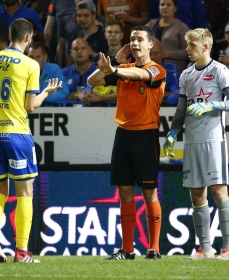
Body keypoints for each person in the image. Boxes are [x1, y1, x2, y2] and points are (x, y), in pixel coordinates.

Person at [0, 18, 62, 263]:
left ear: (9, 35)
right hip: (17, 133)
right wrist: (46, 92)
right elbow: (30, 106)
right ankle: (21, 252)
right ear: (28, 37)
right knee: (25, 192)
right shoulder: (29, 64)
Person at [88, 25, 166, 260]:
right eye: (132, 39)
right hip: (123, 134)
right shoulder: (123, 67)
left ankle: (154, 249)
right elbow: (93, 81)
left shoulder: (157, 70)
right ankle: (127, 249)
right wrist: (113, 63)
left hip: (146, 135)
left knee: (149, 192)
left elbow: (142, 75)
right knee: (124, 192)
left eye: (140, 39)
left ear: (150, 44)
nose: (135, 43)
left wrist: (116, 68)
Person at [163, 28, 229, 260]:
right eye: (187, 45)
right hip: (191, 141)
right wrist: (173, 132)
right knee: (197, 195)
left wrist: (212, 106)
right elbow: (180, 109)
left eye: (192, 46)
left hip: (213, 139)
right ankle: (205, 249)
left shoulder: (220, 70)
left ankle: (227, 249)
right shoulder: (186, 75)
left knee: (219, 191)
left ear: (206, 46)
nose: (187, 50)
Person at [145, 0, 190, 72]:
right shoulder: (150, 24)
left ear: (175, 8)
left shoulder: (181, 27)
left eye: (168, 5)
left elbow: (189, 51)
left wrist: (169, 54)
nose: (164, 7)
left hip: (173, 71)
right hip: (150, 69)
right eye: (162, 5)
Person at [63, 38, 96, 104]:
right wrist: (76, 95)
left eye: (83, 48)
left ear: (89, 51)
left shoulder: (99, 72)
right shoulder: (63, 73)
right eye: (76, 49)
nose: (79, 52)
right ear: (71, 52)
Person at [149, 39, 179, 106]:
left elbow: (176, 92)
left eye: (156, 53)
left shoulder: (171, 69)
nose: (152, 57)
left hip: (166, 106)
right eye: (149, 54)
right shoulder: (140, 71)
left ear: (163, 54)